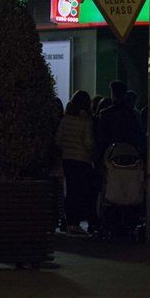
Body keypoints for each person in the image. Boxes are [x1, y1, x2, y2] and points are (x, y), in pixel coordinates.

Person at [56, 91, 95, 236]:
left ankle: (69, 222)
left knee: (70, 191)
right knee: (79, 192)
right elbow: (88, 143)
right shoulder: (85, 121)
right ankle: (75, 223)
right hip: (82, 160)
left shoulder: (65, 120)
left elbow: (58, 140)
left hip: (67, 159)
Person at [95, 81, 142, 159]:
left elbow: (101, 137)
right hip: (129, 153)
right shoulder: (131, 114)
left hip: (110, 153)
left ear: (113, 93)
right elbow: (137, 134)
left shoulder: (105, 113)